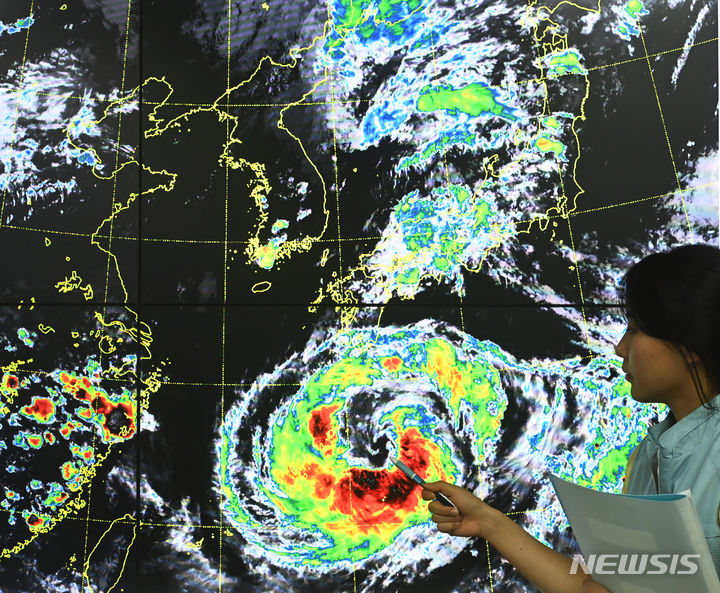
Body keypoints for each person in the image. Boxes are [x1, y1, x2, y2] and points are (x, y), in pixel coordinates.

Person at [422, 243, 720, 593]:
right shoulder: (647, 458)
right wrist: (488, 522)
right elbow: (600, 587)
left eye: (636, 330)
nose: (620, 348)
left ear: (689, 345)